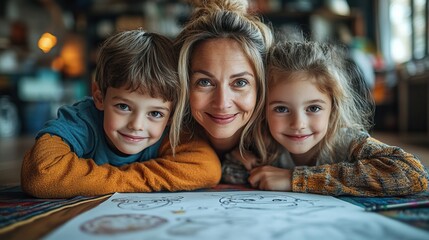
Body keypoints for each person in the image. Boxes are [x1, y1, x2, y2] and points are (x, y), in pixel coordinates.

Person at [21, 29, 221, 198]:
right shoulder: (82, 120)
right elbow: (41, 173)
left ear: (171, 115)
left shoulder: (169, 132)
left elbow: (207, 168)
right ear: (99, 97)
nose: (137, 125)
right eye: (124, 107)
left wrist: (112, 181)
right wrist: (127, 181)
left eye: (155, 113)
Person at [236, 39, 428, 196]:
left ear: (333, 108)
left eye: (313, 107)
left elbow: (412, 173)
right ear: (262, 111)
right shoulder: (262, 145)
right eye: (281, 109)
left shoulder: (346, 141)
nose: (298, 124)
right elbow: (230, 171)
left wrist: (294, 178)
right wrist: (240, 160)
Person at [174, 0, 273, 183]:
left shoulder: (288, 136)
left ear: (261, 86)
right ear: (184, 84)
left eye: (240, 82)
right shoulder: (154, 134)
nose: (222, 103)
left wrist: (294, 178)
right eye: (204, 82)